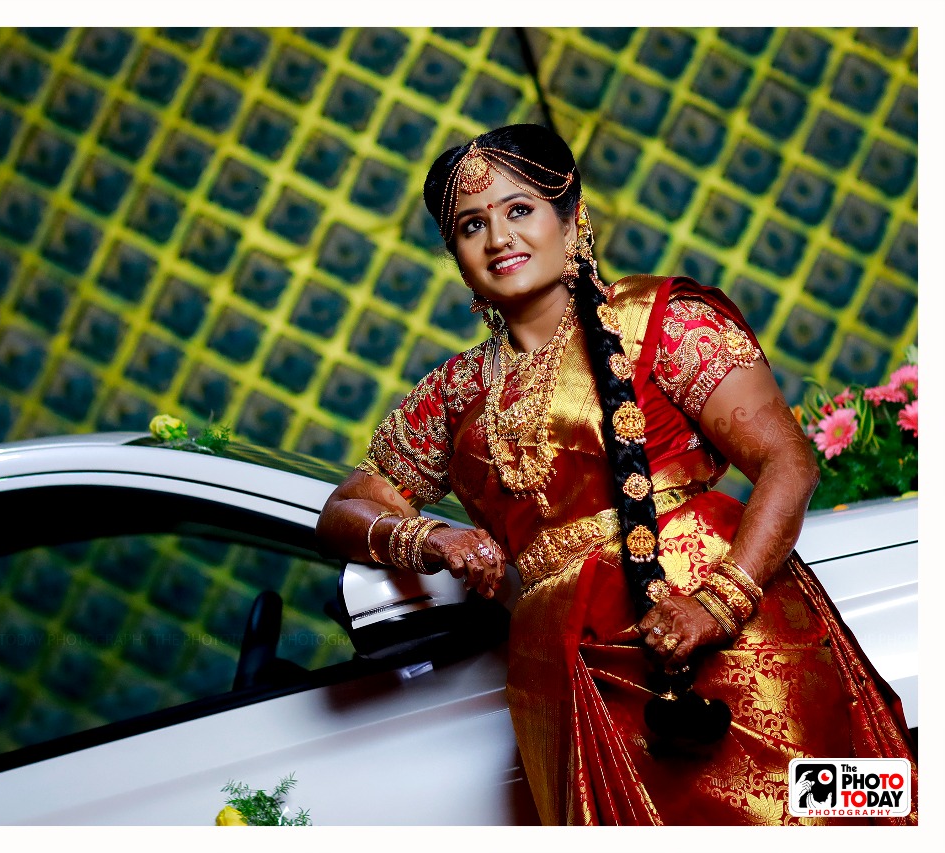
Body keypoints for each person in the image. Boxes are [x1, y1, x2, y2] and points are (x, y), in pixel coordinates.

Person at [315, 124, 917, 825]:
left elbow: (788, 463)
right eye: (471, 225)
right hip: (566, 681)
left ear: (571, 218)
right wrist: (428, 540)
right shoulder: (455, 394)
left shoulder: (662, 322)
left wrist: (715, 605)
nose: (498, 238)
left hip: (723, 652)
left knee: (816, 822)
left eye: (519, 210)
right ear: (455, 255)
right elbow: (346, 508)